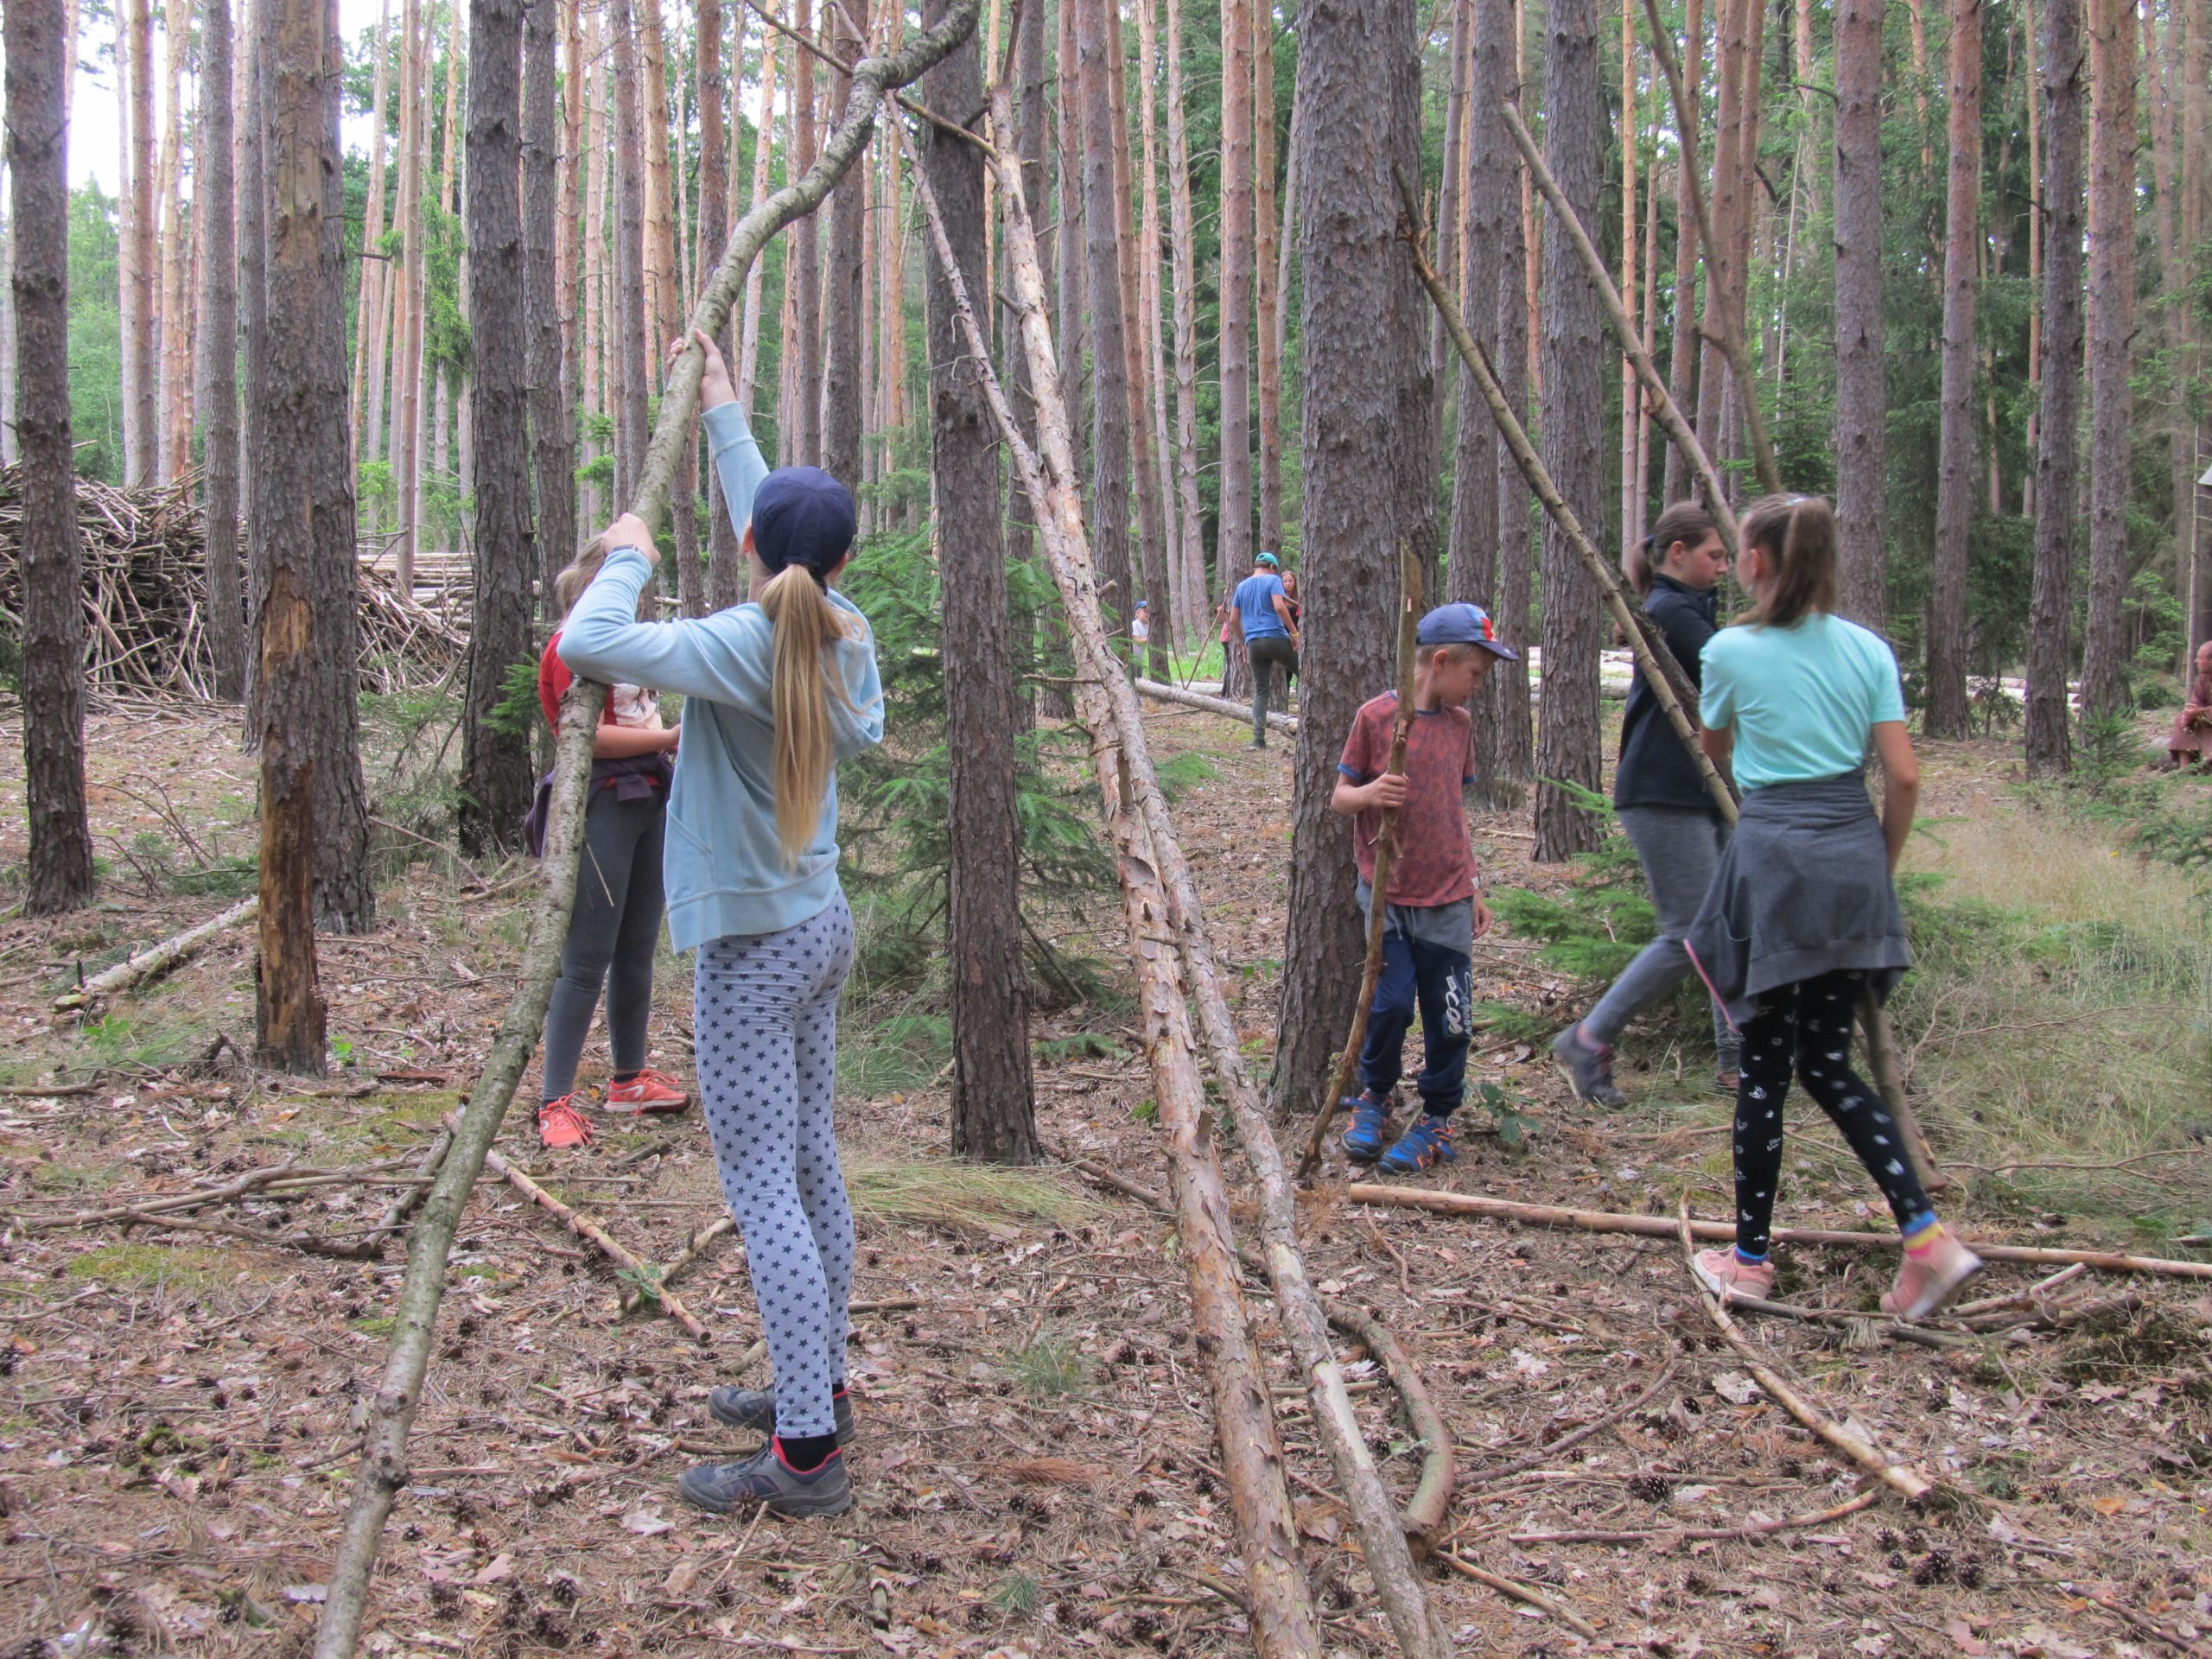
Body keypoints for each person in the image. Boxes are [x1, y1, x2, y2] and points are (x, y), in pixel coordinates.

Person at [558, 328, 884, 1518]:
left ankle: (804, 1458)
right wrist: (722, 407)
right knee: (810, 1165)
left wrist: (628, 555)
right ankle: (818, 1387)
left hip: (753, 953)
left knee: (762, 1191)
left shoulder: (735, 644)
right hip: (819, 926)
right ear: (840, 560)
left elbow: (587, 642)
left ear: (753, 552)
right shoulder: (841, 632)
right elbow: (779, 532)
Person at [1682, 493, 1980, 1321]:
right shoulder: (1868, 649)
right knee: (1825, 1062)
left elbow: (1715, 744)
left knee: (1764, 1070)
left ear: (1756, 561)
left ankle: (1747, 1262)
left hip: (1777, 866)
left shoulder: (1730, 649)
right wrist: (1877, 867)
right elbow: (1905, 775)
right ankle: (1926, 1241)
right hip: (1853, 860)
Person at [1553, 504, 1741, 1108]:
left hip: (1703, 787)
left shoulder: (1690, 610)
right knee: (1689, 931)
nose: (1725, 566)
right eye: (1715, 555)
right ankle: (1588, 1038)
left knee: (1727, 925)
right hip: (1663, 792)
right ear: (1678, 553)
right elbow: (1732, 673)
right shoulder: (1669, 612)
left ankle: (1739, 1063)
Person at [1334, 603, 1516, 1174]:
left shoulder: (1460, 726)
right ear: (1440, 661)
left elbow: (1453, 810)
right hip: (1387, 898)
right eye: (1475, 674)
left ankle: (1437, 1118)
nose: (1477, 686)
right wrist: (1371, 794)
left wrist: (1474, 883)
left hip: (1448, 899)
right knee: (1388, 1005)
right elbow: (1340, 797)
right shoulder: (1376, 718)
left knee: (1450, 1013)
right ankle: (1375, 1095)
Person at [533, 542, 690, 1149]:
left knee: (636, 947)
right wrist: (670, 738)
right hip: (601, 803)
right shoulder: (569, 647)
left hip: (649, 798)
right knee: (585, 957)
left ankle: (628, 1079)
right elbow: (582, 736)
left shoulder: (625, 643)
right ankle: (555, 1102)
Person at [1230, 551, 1300, 748]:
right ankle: (1310, 722)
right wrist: (1294, 633)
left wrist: (1244, 643)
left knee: (1261, 690)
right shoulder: (1273, 580)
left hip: (1253, 643)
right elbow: (1279, 607)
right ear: (1272, 567)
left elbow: (1233, 620)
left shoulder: (1242, 586)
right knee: (1305, 674)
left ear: (1256, 567)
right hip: (1275, 637)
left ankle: (1258, 739)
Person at [2166, 639, 2212, 769]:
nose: (2195, 661)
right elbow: (2196, 700)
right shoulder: (2203, 678)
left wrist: (2199, 712)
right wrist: (2191, 712)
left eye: (2199, 657)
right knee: (2182, 718)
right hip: (2208, 719)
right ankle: (2185, 767)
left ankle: (2207, 763)